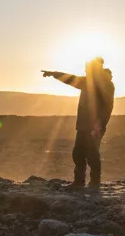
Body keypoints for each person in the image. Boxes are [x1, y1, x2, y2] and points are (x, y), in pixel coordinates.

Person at [42, 57, 115, 188]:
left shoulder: (106, 85)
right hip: (82, 125)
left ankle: (94, 182)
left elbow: (107, 107)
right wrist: (54, 74)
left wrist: (99, 124)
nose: (86, 72)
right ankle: (79, 182)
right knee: (78, 153)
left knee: (92, 153)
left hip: (95, 127)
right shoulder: (87, 82)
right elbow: (70, 78)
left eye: (88, 69)